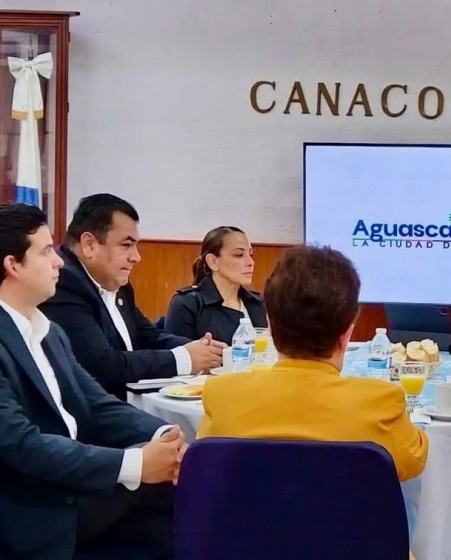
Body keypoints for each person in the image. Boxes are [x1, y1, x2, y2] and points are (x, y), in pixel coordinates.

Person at [0, 203, 186, 558]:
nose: (58, 262)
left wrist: (165, 436)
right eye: (46, 251)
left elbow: (98, 405)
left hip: (78, 487)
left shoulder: (49, 332)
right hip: (33, 513)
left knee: (193, 502)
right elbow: (21, 445)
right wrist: (135, 465)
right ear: (13, 265)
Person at [199, 244, 428, 482]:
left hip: (248, 508)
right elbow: (414, 461)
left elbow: (206, 468)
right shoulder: (380, 402)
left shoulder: (221, 395)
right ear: (346, 334)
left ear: (270, 325)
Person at [39, 194, 223, 399]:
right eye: (126, 245)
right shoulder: (63, 283)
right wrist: (183, 359)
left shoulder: (116, 282)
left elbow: (147, 336)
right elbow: (101, 366)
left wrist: (203, 350)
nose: (136, 257)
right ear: (89, 244)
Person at [165, 226, 267, 344]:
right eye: (239, 255)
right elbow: (176, 352)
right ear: (213, 261)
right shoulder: (187, 304)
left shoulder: (257, 302)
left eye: (251, 255)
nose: (251, 262)